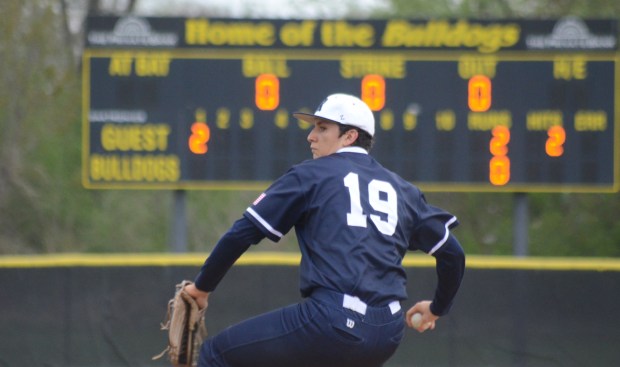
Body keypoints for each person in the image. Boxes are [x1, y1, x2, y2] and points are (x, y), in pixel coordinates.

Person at [185, 93, 465, 367]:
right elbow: (453, 254)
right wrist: (437, 308)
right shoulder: (405, 191)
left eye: (322, 128)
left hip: (331, 322)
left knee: (215, 354)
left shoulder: (310, 175)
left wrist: (202, 288)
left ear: (350, 136)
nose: (311, 136)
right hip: (387, 332)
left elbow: (242, 233)